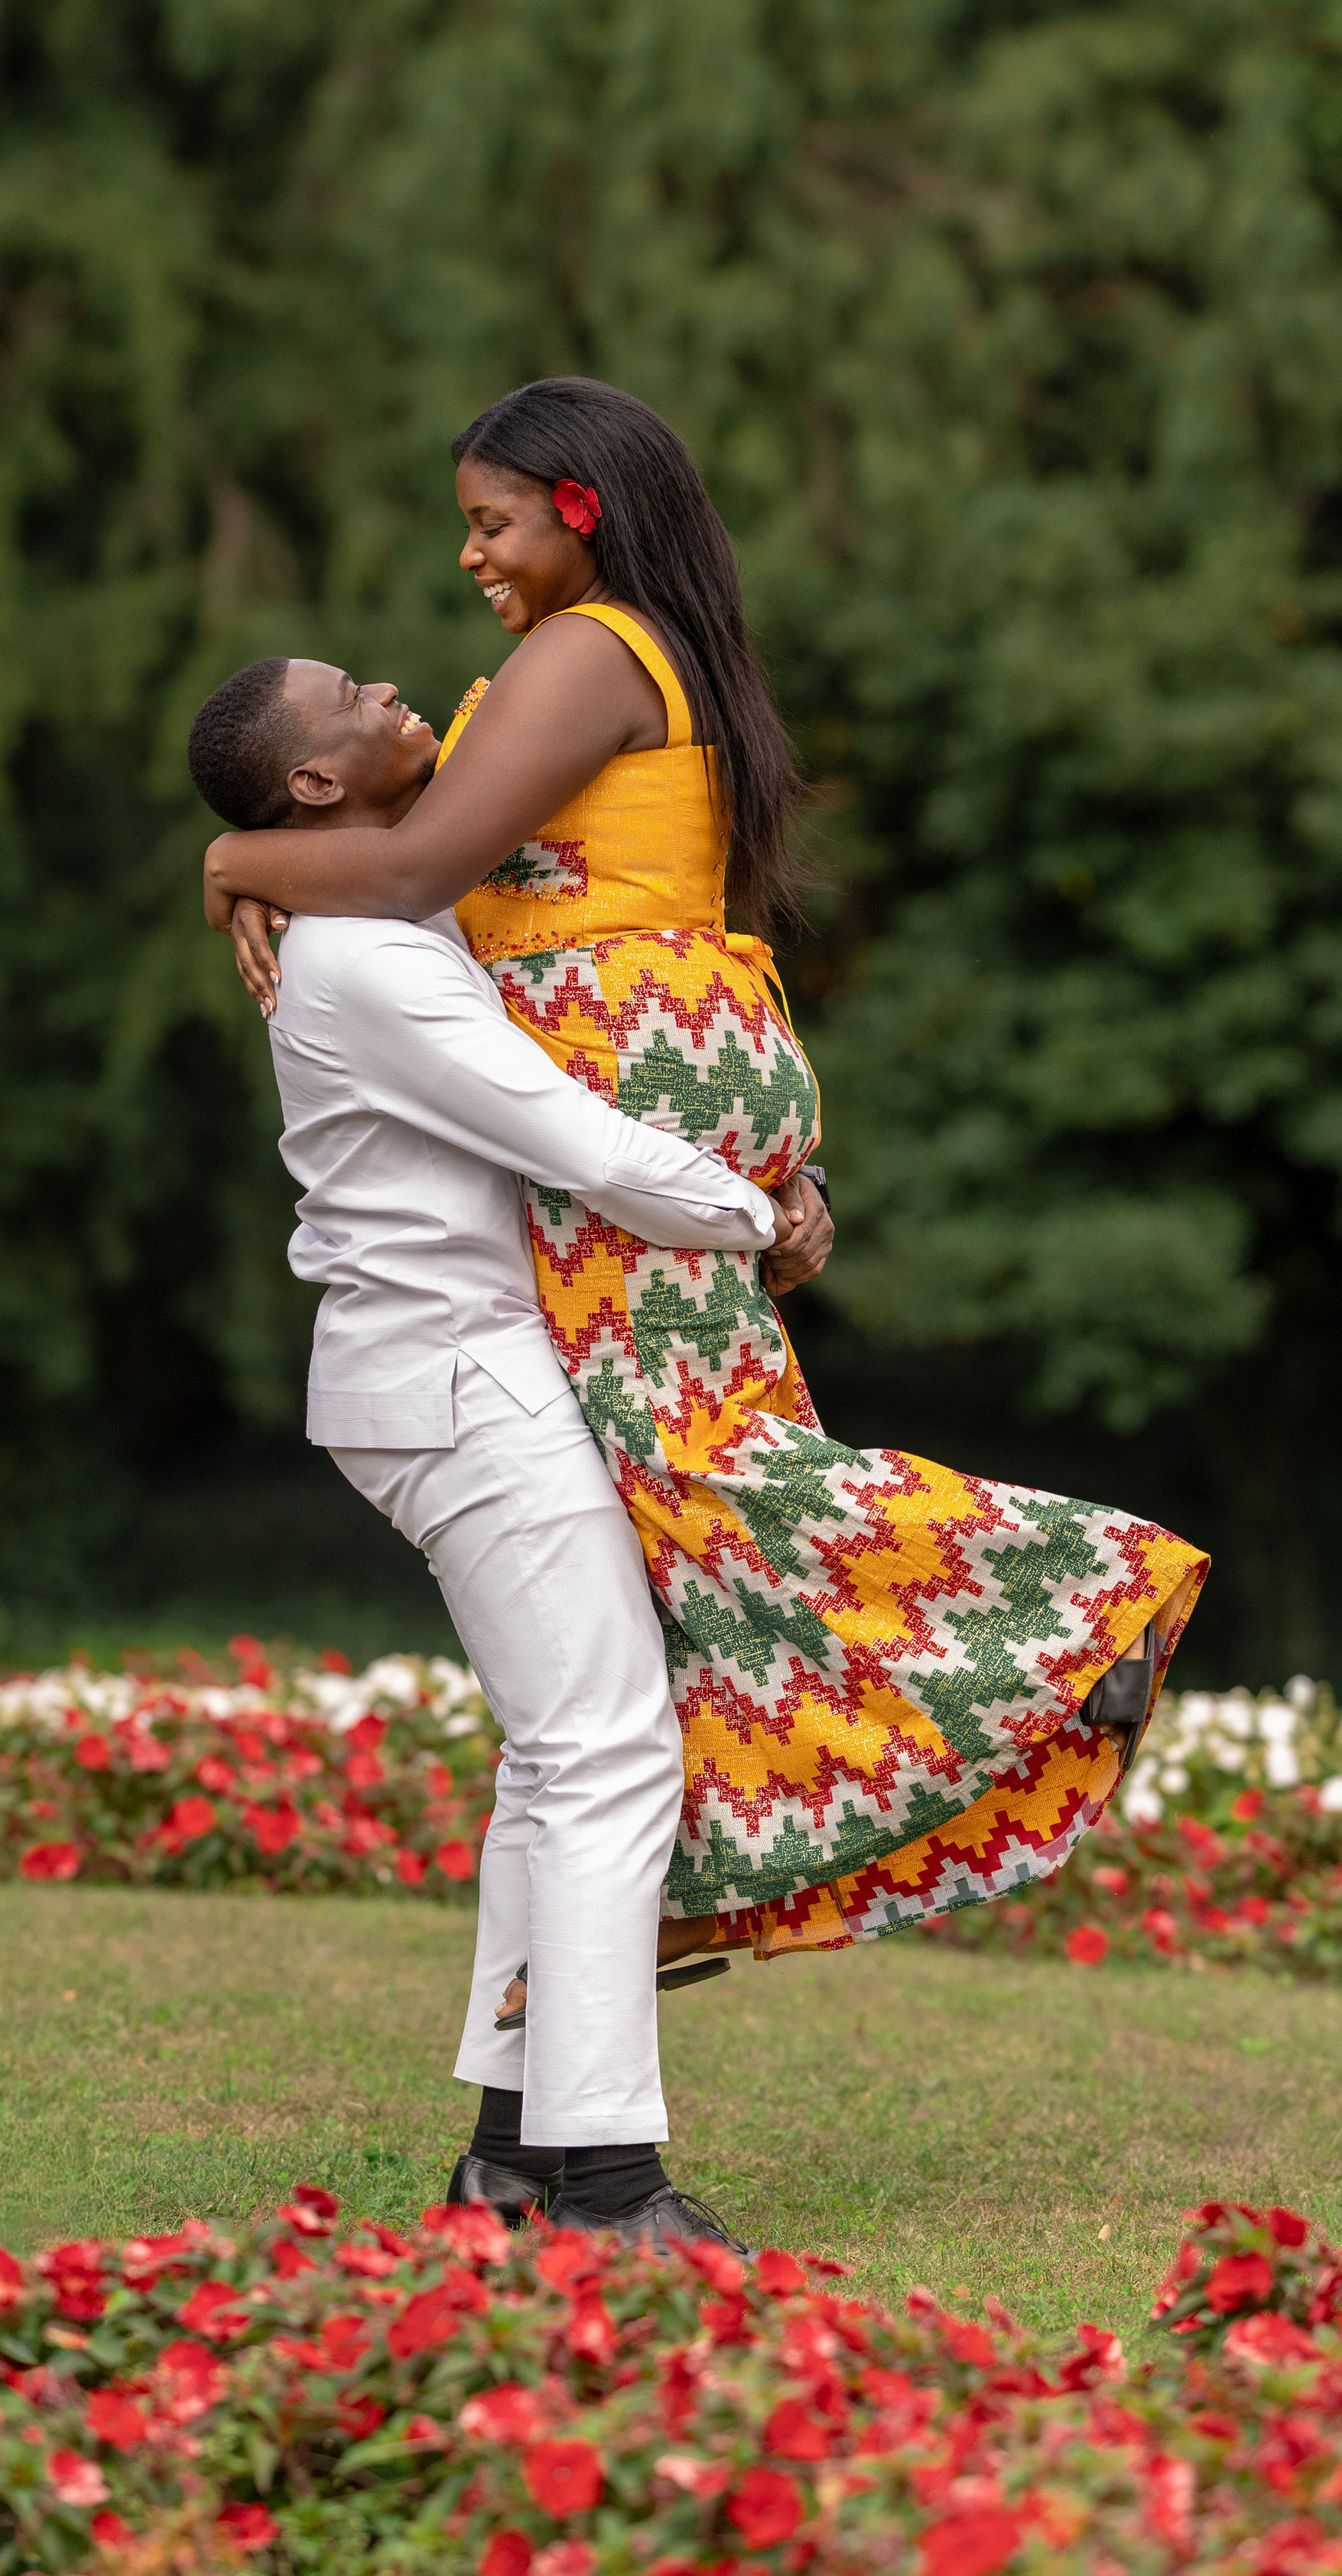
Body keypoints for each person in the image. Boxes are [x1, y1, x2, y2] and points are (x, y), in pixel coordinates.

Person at [201, 375, 1208, 1980]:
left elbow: (409, 867)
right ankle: (671, 1895)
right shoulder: (629, 651)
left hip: (626, 1064)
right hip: (670, 1047)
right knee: (666, 1503)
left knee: (700, 1469)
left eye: (491, 522)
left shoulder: (583, 653)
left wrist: (233, 856)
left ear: (579, 511)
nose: (470, 556)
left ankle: (1081, 1600)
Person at [186, 652, 829, 2246]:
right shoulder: (363, 962)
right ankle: (606, 2187)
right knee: (606, 1750)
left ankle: (511, 2161)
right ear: (316, 781)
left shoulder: (391, 919)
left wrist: (235, 862)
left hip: (457, 1371)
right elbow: (570, 1139)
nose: (389, 682)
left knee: (560, 1758)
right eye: (348, 693)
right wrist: (763, 1217)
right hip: (456, 1379)